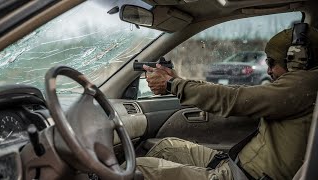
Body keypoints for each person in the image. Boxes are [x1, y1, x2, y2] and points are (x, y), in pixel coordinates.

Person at [135, 26, 318, 180]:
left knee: (139, 169)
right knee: (167, 146)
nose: (268, 70)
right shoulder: (301, 85)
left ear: (298, 60)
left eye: (272, 62)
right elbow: (239, 92)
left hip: (241, 175)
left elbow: (234, 99)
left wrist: (171, 85)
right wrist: (180, 82)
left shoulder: (305, 84)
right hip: (236, 164)